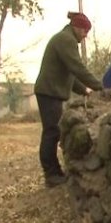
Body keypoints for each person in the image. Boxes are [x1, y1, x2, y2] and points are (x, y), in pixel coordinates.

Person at [34, 11, 104, 187]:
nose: (86, 35)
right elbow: (77, 68)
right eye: (85, 31)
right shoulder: (66, 40)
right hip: (49, 92)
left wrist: (85, 91)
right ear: (77, 27)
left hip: (51, 92)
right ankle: (51, 175)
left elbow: (70, 75)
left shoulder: (65, 39)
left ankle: (54, 173)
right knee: (51, 132)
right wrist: (101, 86)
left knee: (53, 131)